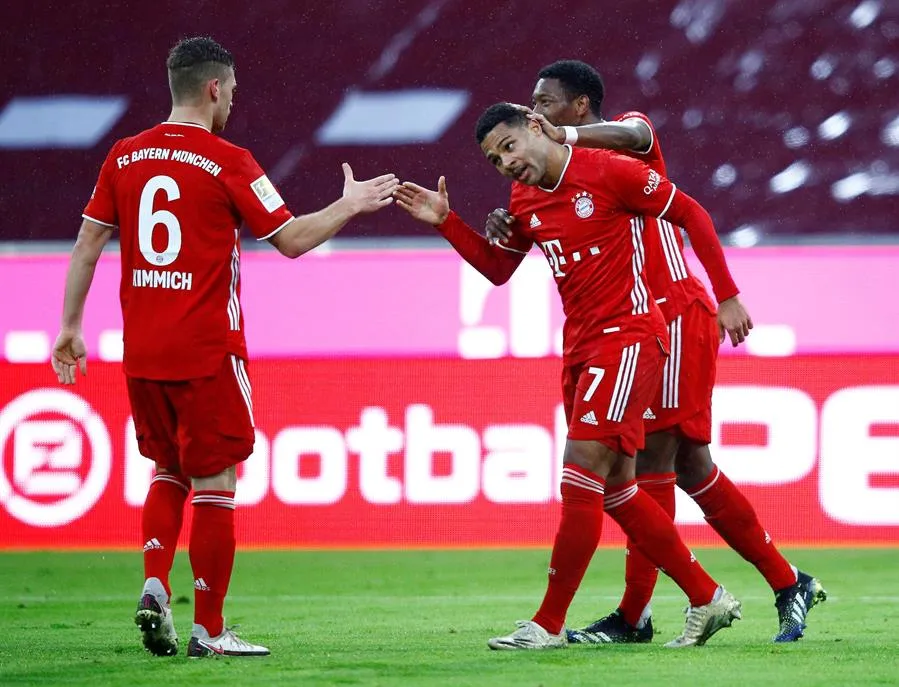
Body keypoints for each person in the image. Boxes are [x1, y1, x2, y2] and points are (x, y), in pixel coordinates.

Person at [51, 36, 398, 658]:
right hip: (208, 349)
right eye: (232, 92)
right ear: (214, 88)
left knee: (166, 471)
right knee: (216, 480)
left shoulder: (124, 157)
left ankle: (155, 582)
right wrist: (347, 206)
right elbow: (290, 239)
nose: (233, 102)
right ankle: (208, 629)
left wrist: (70, 327)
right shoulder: (229, 159)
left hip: (144, 352)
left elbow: (86, 244)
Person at [486, 60, 826, 644]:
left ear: (579, 106)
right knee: (677, 466)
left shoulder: (626, 135)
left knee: (652, 466)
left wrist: (726, 295)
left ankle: (640, 612)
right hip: (642, 324)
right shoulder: (554, 178)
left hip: (669, 315)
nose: (534, 112)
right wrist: (510, 226)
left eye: (544, 103)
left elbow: (640, 139)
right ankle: (777, 580)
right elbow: (516, 249)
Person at [395, 102, 743, 650]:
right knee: (615, 489)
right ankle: (706, 597)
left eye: (509, 147)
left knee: (579, 472)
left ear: (536, 128)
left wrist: (726, 295)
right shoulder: (524, 198)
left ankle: (549, 624)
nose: (506, 164)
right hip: (580, 347)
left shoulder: (610, 168)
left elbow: (692, 214)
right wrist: (445, 222)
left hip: (629, 336)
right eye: (494, 160)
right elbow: (498, 267)